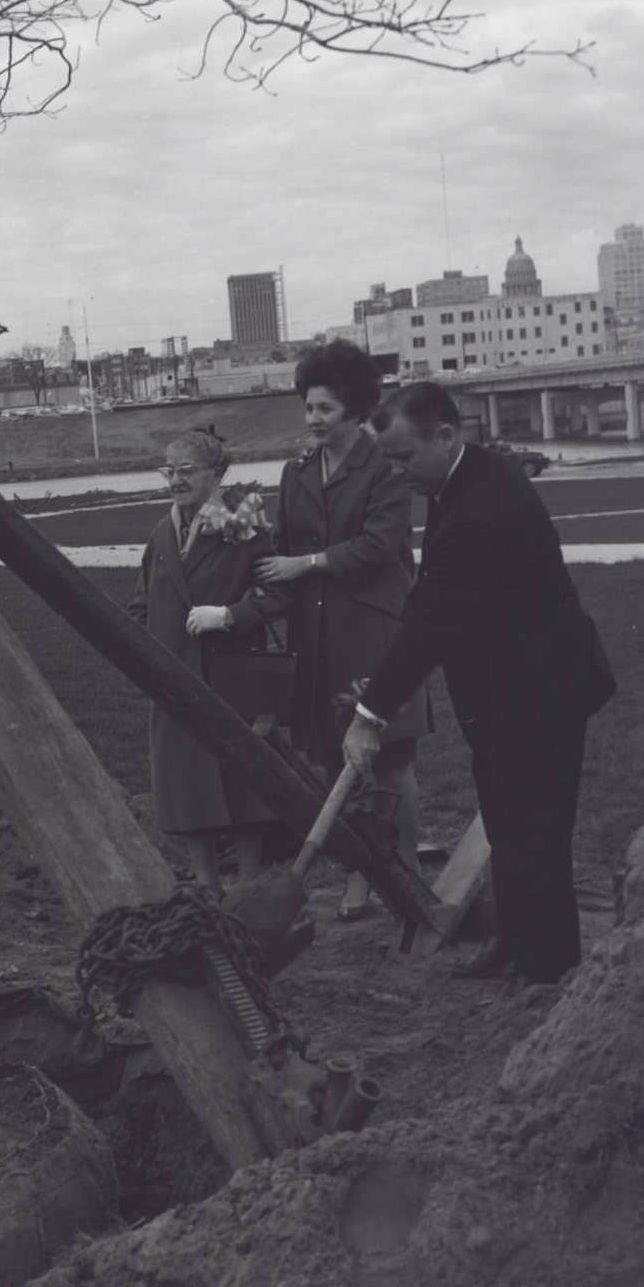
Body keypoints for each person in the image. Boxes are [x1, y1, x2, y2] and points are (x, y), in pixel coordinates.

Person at [343, 382, 616, 985]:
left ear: (446, 435)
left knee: (535, 829)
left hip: (541, 691)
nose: (397, 473)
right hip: (505, 692)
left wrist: (370, 714)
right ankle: (515, 942)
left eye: (404, 458)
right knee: (506, 819)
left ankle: (546, 968)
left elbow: (433, 621)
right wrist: (380, 687)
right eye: (388, 460)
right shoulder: (455, 481)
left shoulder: (480, 507)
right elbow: (430, 602)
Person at [254, 341, 426, 919]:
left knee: (390, 758)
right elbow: (281, 547)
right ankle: (361, 874)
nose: (313, 420)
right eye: (308, 408)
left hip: (375, 633)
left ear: (353, 409)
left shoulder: (385, 469)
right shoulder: (295, 472)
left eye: (324, 409)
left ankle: (407, 873)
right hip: (317, 634)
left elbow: (380, 545)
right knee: (336, 758)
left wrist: (309, 563)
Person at [130, 431, 288, 898]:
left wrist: (230, 616)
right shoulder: (162, 532)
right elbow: (142, 599)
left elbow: (279, 595)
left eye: (186, 471)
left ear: (216, 475)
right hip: (173, 674)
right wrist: (144, 647)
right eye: (169, 470)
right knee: (185, 784)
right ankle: (207, 886)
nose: (175, 480)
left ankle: (250, 884)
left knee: (242, 781)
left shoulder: (244, 526)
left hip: (231, 672)